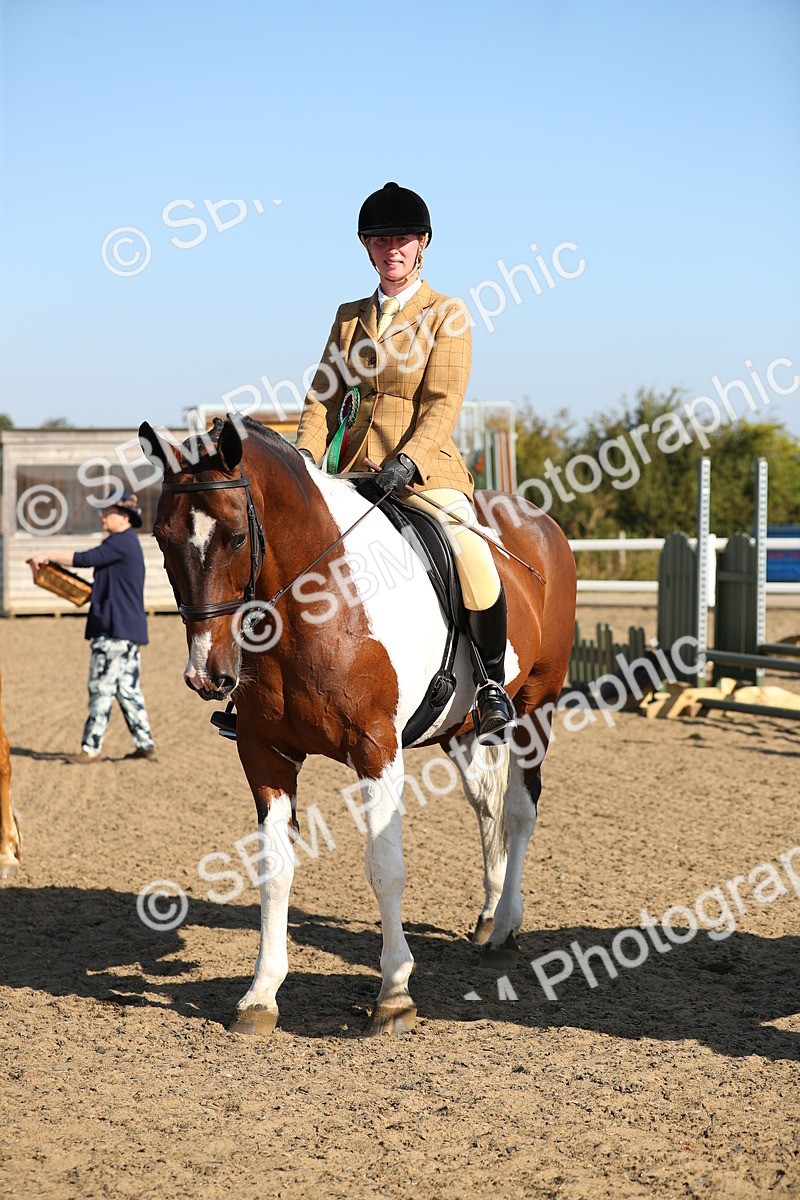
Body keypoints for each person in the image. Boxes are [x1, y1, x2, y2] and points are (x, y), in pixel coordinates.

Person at [295, 181, 516, 740]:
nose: (392, 248)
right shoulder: (348, 318)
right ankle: (267, 690)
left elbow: (444, 405)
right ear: (367, 247)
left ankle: (490, 682)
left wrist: (408, 461)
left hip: (424, 472)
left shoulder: (447, 313)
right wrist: (304, 456)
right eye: (380, 239)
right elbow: (323, 396)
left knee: (471, 552)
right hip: (352, 470)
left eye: (404, 239)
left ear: (422, 245)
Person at [29, 491, 157, 763]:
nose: (102, 515)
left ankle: (90, 748)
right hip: (127, 631)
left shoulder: (120, 542)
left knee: (100, 688)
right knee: (128, 690)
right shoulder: (125, 543)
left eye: (107, 511)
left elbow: (85, 558)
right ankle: (145, 744)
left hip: (113, 632)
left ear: (124, 516)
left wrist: (46, 554)